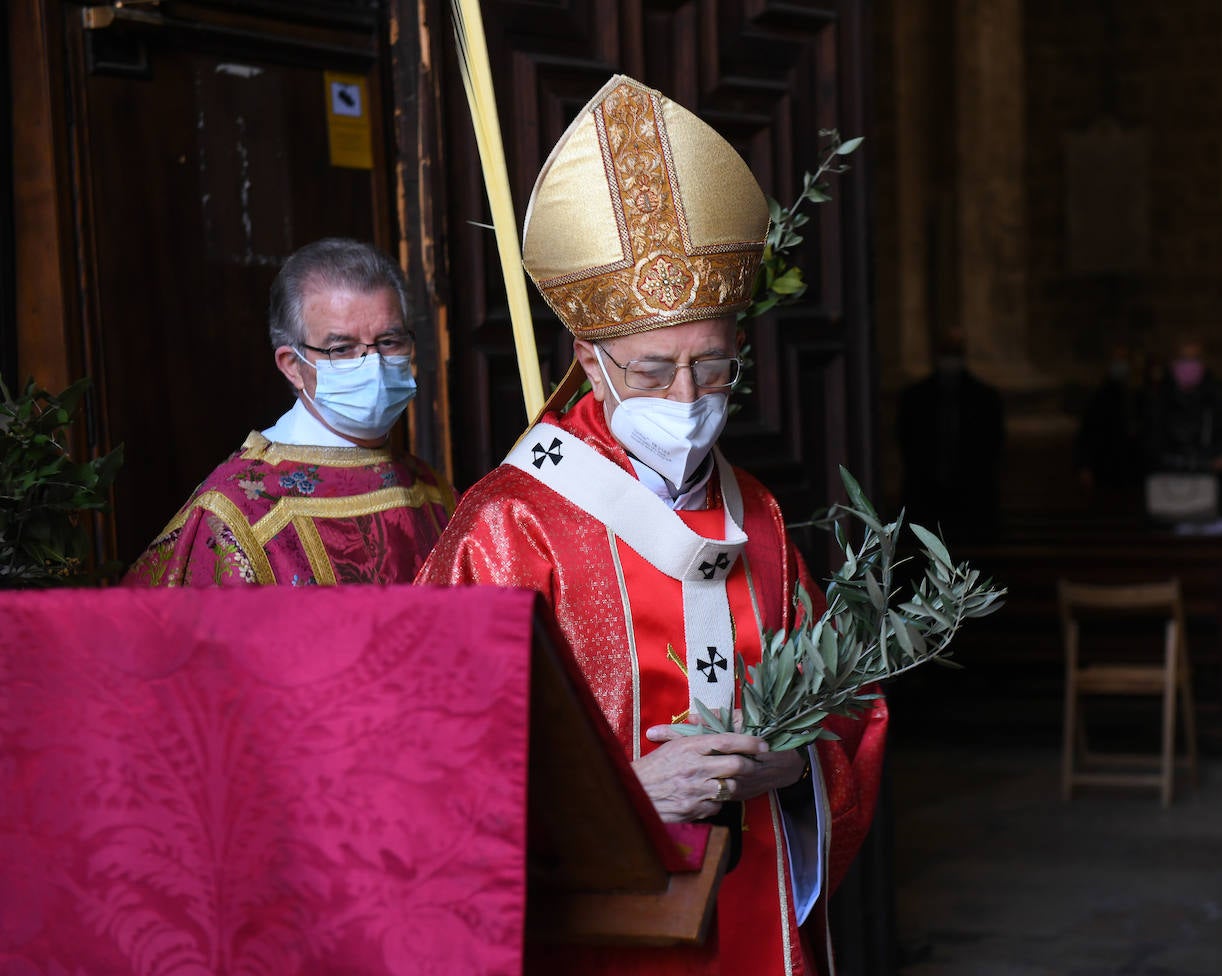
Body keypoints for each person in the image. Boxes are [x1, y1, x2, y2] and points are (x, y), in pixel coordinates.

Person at [416, 76, 886, 974]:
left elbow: (847, 707)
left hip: (753, 902)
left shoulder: (758, 511)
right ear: (589, 364)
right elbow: (431, 761)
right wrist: (626, 794)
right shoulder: (510, 525)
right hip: (596, 924)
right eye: (650, 370)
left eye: (713, 369)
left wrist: (796, 768)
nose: (686, 399)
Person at [124, 238, 455, 586]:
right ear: (292, 365)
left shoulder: (433, 491)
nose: (373, 364)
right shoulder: (233, 514)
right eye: (342, 348)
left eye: (389, 342)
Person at [897, 327, 1006, 543]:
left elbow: (993, 444)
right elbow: (906, 441)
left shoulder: (985, 399)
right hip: (925, 500)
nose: (950, 360)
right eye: (947, 353)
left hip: (973, 501)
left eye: (955, 353)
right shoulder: (914, 398)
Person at [1142, 338, 1222, 531]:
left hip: (1212, 506)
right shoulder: (1158, 404)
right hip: (1169, 506)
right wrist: (1204, 463)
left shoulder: (1216, 402)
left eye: (1194, 359)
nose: (1189, 366)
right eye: (1184, 359)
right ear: (1172, 364)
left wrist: (1221, 458)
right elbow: (1152, 452)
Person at [1074, 343, 1145, 507]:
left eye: (1124, 359)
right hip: (1105, 467)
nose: (1120, 364)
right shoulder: (1099, 397)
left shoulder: (1138, 396)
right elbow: (1088, 433)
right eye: (1117, 359)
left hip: (1132, 468)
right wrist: (1085, 465)